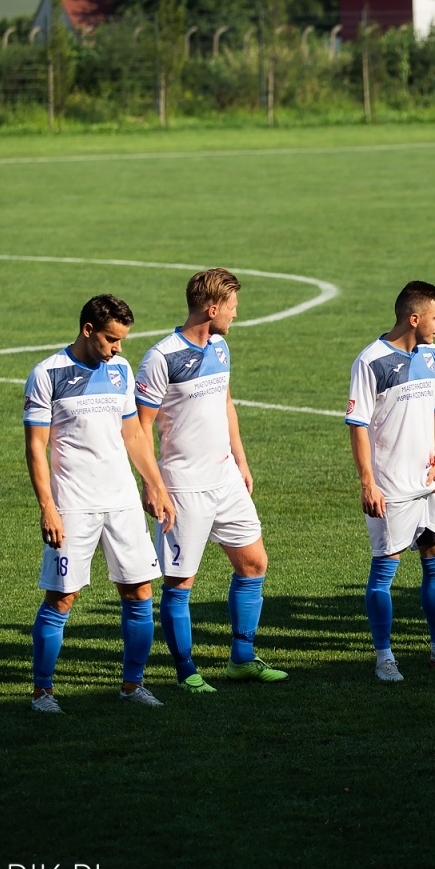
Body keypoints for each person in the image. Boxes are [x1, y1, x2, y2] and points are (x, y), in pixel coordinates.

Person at [24, 294, 176, 713]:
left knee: (139, 591)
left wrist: (156, 485)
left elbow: (133, 435)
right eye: (112, 339)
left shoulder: (121, 370)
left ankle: (132, 685)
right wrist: (48, 507)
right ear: (88, 330)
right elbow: (36, 448)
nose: (119, 349)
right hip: (73, 505)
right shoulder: (47, 374)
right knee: (62, 597)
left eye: (122, 340)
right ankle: (42, 693)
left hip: (122, 502)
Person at [137, 268, 287, 693]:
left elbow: (226, 403)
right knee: (181, 582)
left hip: (225, 479)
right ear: (211, 307)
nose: (237, 314)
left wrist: (241, 460)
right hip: (183, 486)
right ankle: (186, 672)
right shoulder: (161, 357)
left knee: (254, 562)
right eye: (233, 307)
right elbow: (139, 428)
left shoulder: (220, 347)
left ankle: (241, 659)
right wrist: (153, 484)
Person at [347, 281, 435, 679]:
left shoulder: (431, 354)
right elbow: (357, 426)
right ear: (414, 318)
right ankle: (384, 657)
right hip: (392, 487)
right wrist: (368, 483)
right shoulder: (371, 362)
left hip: (429, 484)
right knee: (384, 571)